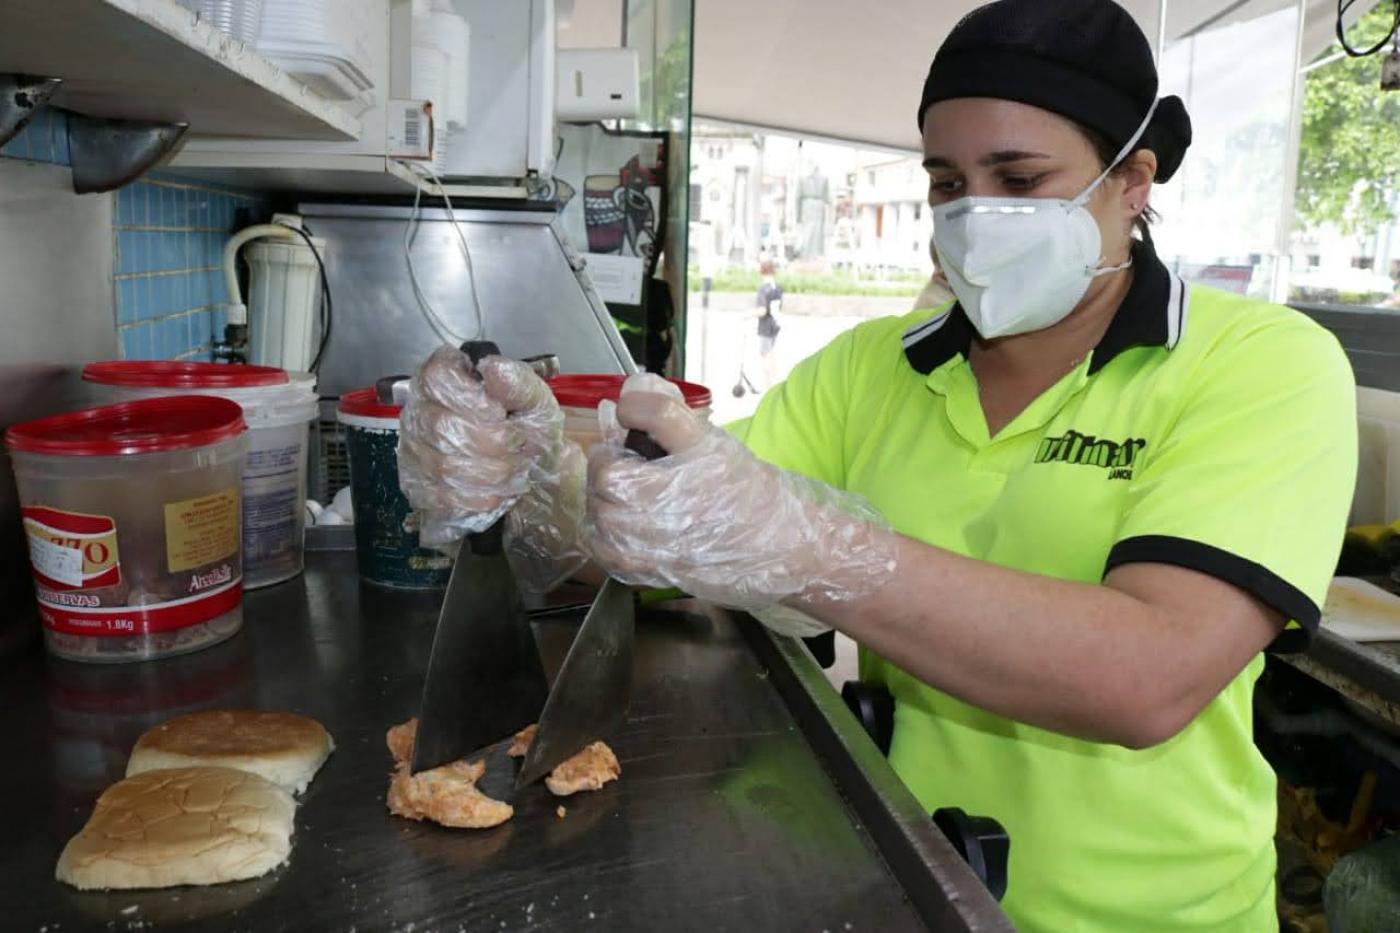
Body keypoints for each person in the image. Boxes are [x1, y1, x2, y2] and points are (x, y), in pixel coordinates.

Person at [395, 1, 1357, 928]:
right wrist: (533, 486)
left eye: (1018, 180)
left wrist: (814, 549)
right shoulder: (875, 367)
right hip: (907, 868)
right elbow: (677, 541)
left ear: (1133, 178)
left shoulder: (1261, 365)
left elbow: (1151, 675)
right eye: (947, 181)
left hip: (1139, 915)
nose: (976, 216)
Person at [754, 260, 783, 388]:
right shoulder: (777, 287)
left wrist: (747, 315)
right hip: (776, 322)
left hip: (765, 324)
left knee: (766, 354)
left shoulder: (763, 289)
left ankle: (769, 384)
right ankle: (774, 381)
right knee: (770, 352)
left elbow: (762, 310)